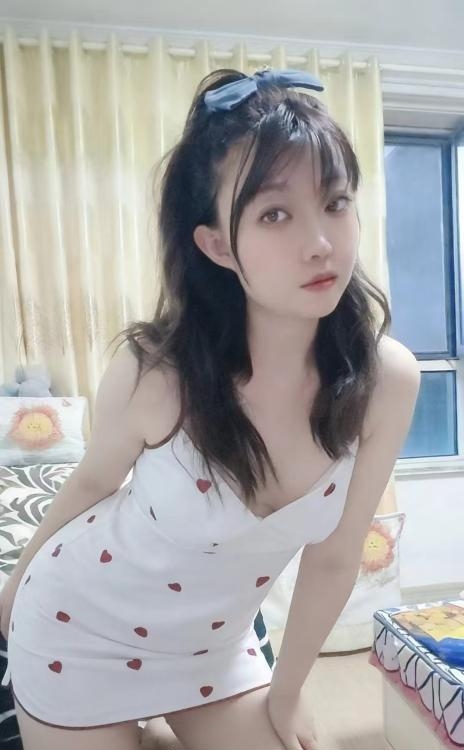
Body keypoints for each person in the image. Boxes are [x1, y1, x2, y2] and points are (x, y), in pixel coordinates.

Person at [0, 68, 420, 750]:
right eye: (275, 214)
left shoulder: (385, 382)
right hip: (78, 630)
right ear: (218, 244)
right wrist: (13, 590)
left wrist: (288, 692)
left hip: (213, 651)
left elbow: (336, 558)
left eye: (336, 202)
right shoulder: (158, 373)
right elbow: (92, 482)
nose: (320, 241)